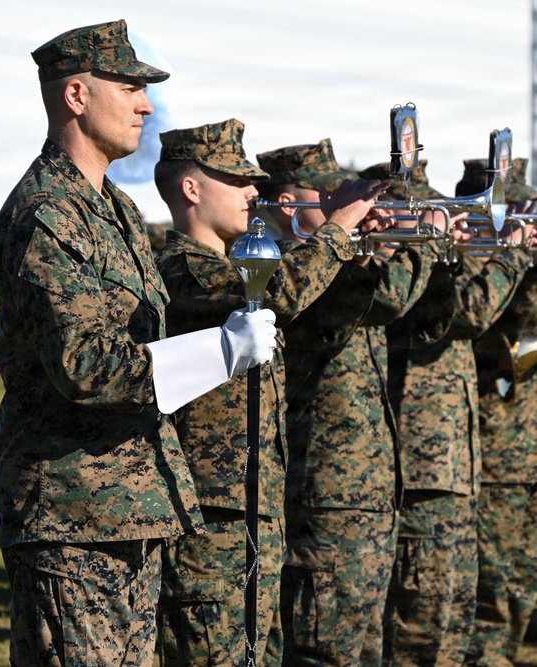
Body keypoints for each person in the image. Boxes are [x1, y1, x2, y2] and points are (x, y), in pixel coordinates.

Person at [0, 21, 276, 667]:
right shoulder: (47, 212)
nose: (146, 105)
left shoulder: (113, 207)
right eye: (129, 87)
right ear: (76, 96)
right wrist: (219, 353)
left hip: (129, 506)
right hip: (71, 510)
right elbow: (84, 365)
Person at [152, 118, 388, 666]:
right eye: (236, 180)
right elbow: (279, 292)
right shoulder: (182, 267)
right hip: (210, 516)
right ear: (191, 189)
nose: (252, 191)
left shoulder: (234, 266)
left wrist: (357, 260)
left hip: (256, 507)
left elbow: (318, 327)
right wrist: (337, 229)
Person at [257, 140, 439, 666]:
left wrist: (368, 246)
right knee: (326, 650)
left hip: (367, 486)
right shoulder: (280, 268)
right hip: (324, 488)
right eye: (328, 195)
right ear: (289, 203)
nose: (342, 204)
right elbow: (384, 300)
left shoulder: (329, 265)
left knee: (364, 647)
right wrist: (414, 242)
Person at [356, 160, 530, 666]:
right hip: (419, 462)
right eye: (424, 212)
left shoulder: (434, 263)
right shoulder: (393, 270)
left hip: (455, 460)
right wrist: (509, 256)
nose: (440, 221)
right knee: (417, 618)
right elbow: (466, 315)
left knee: (454, 613)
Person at [464, 158, 537, 667]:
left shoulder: (522, 265)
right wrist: (519, 261)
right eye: (514, 208)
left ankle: (505, 657)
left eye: (529, 208)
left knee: (524, 581)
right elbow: (491, 330)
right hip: (495, 449)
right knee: (492, 585)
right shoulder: (469, 268)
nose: (526, 219)